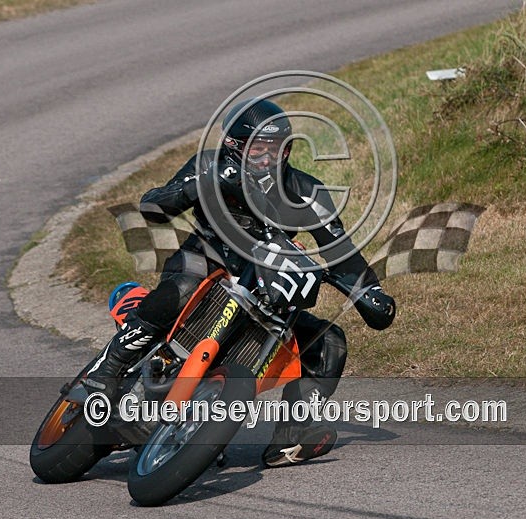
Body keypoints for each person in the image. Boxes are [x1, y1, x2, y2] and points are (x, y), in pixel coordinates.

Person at [83, 98, 396, 467]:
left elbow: (340, 251)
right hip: (204, 262)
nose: (268, 158)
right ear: (234, 145)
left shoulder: (307, 191)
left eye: (278, 149)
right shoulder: (209, 163)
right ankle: (108, 366)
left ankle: (292, 435)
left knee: (328, 341)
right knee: (181, 290)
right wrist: (199, 185)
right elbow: (153, 206)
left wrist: (369, 291)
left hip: (267, 289)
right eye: (259, 149)